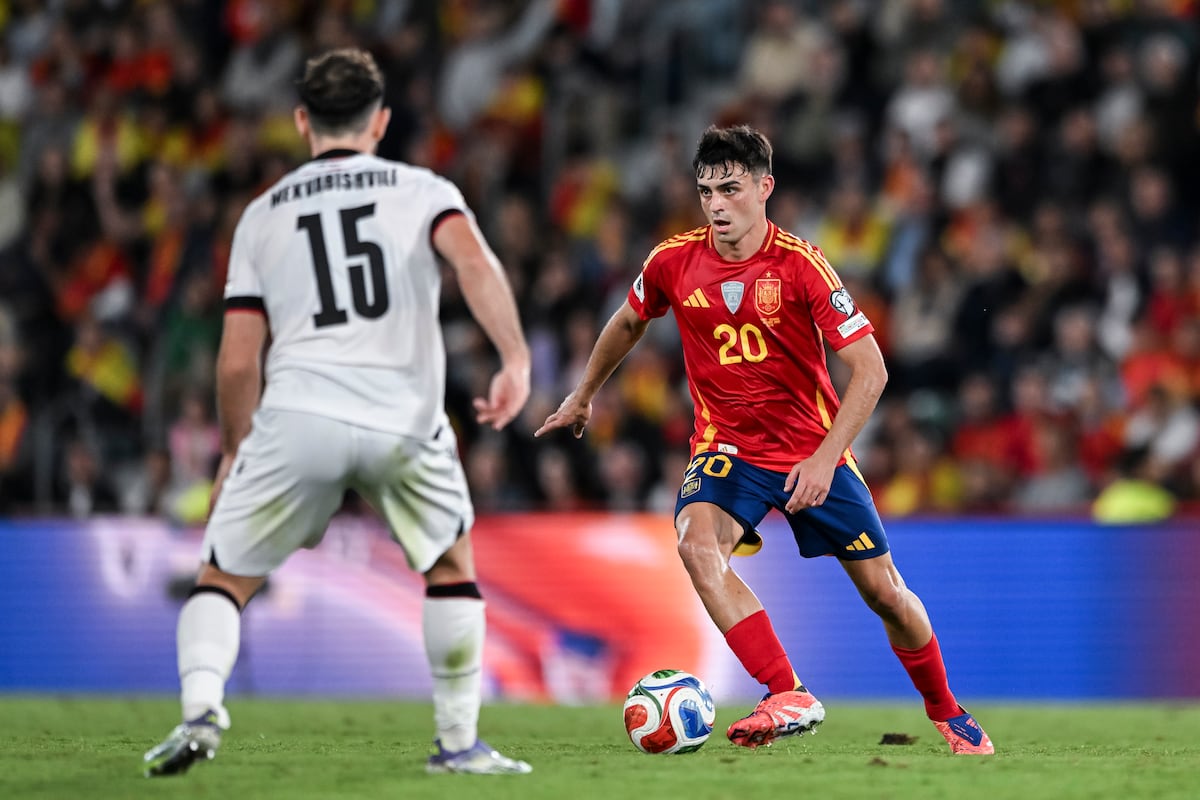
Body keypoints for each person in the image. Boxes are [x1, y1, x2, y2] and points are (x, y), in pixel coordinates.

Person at [536, 125, 993, 755]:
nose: (716, 204)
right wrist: (583, 393)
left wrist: (826, 460)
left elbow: (872, 368)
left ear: (764, 187)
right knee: (697, 547)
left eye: (730, 188)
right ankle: (787, 690)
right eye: (705, 192)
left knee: (886, 594)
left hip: (811, 450)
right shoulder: (672, 261)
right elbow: (626, 321)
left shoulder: (800, 265)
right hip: (725, 448)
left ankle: (947, 711)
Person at [143, 49, 533, 777]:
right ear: (380, 122)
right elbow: (475, 263)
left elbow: (235, 360)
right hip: (404, 417)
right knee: (450, 566)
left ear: (301, 123)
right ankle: (458, 745)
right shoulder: (425, 190)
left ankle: (200, 711)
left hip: (298, 416)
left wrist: (234, 452)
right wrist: (514, 358)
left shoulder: (261, 217)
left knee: (223, 576)